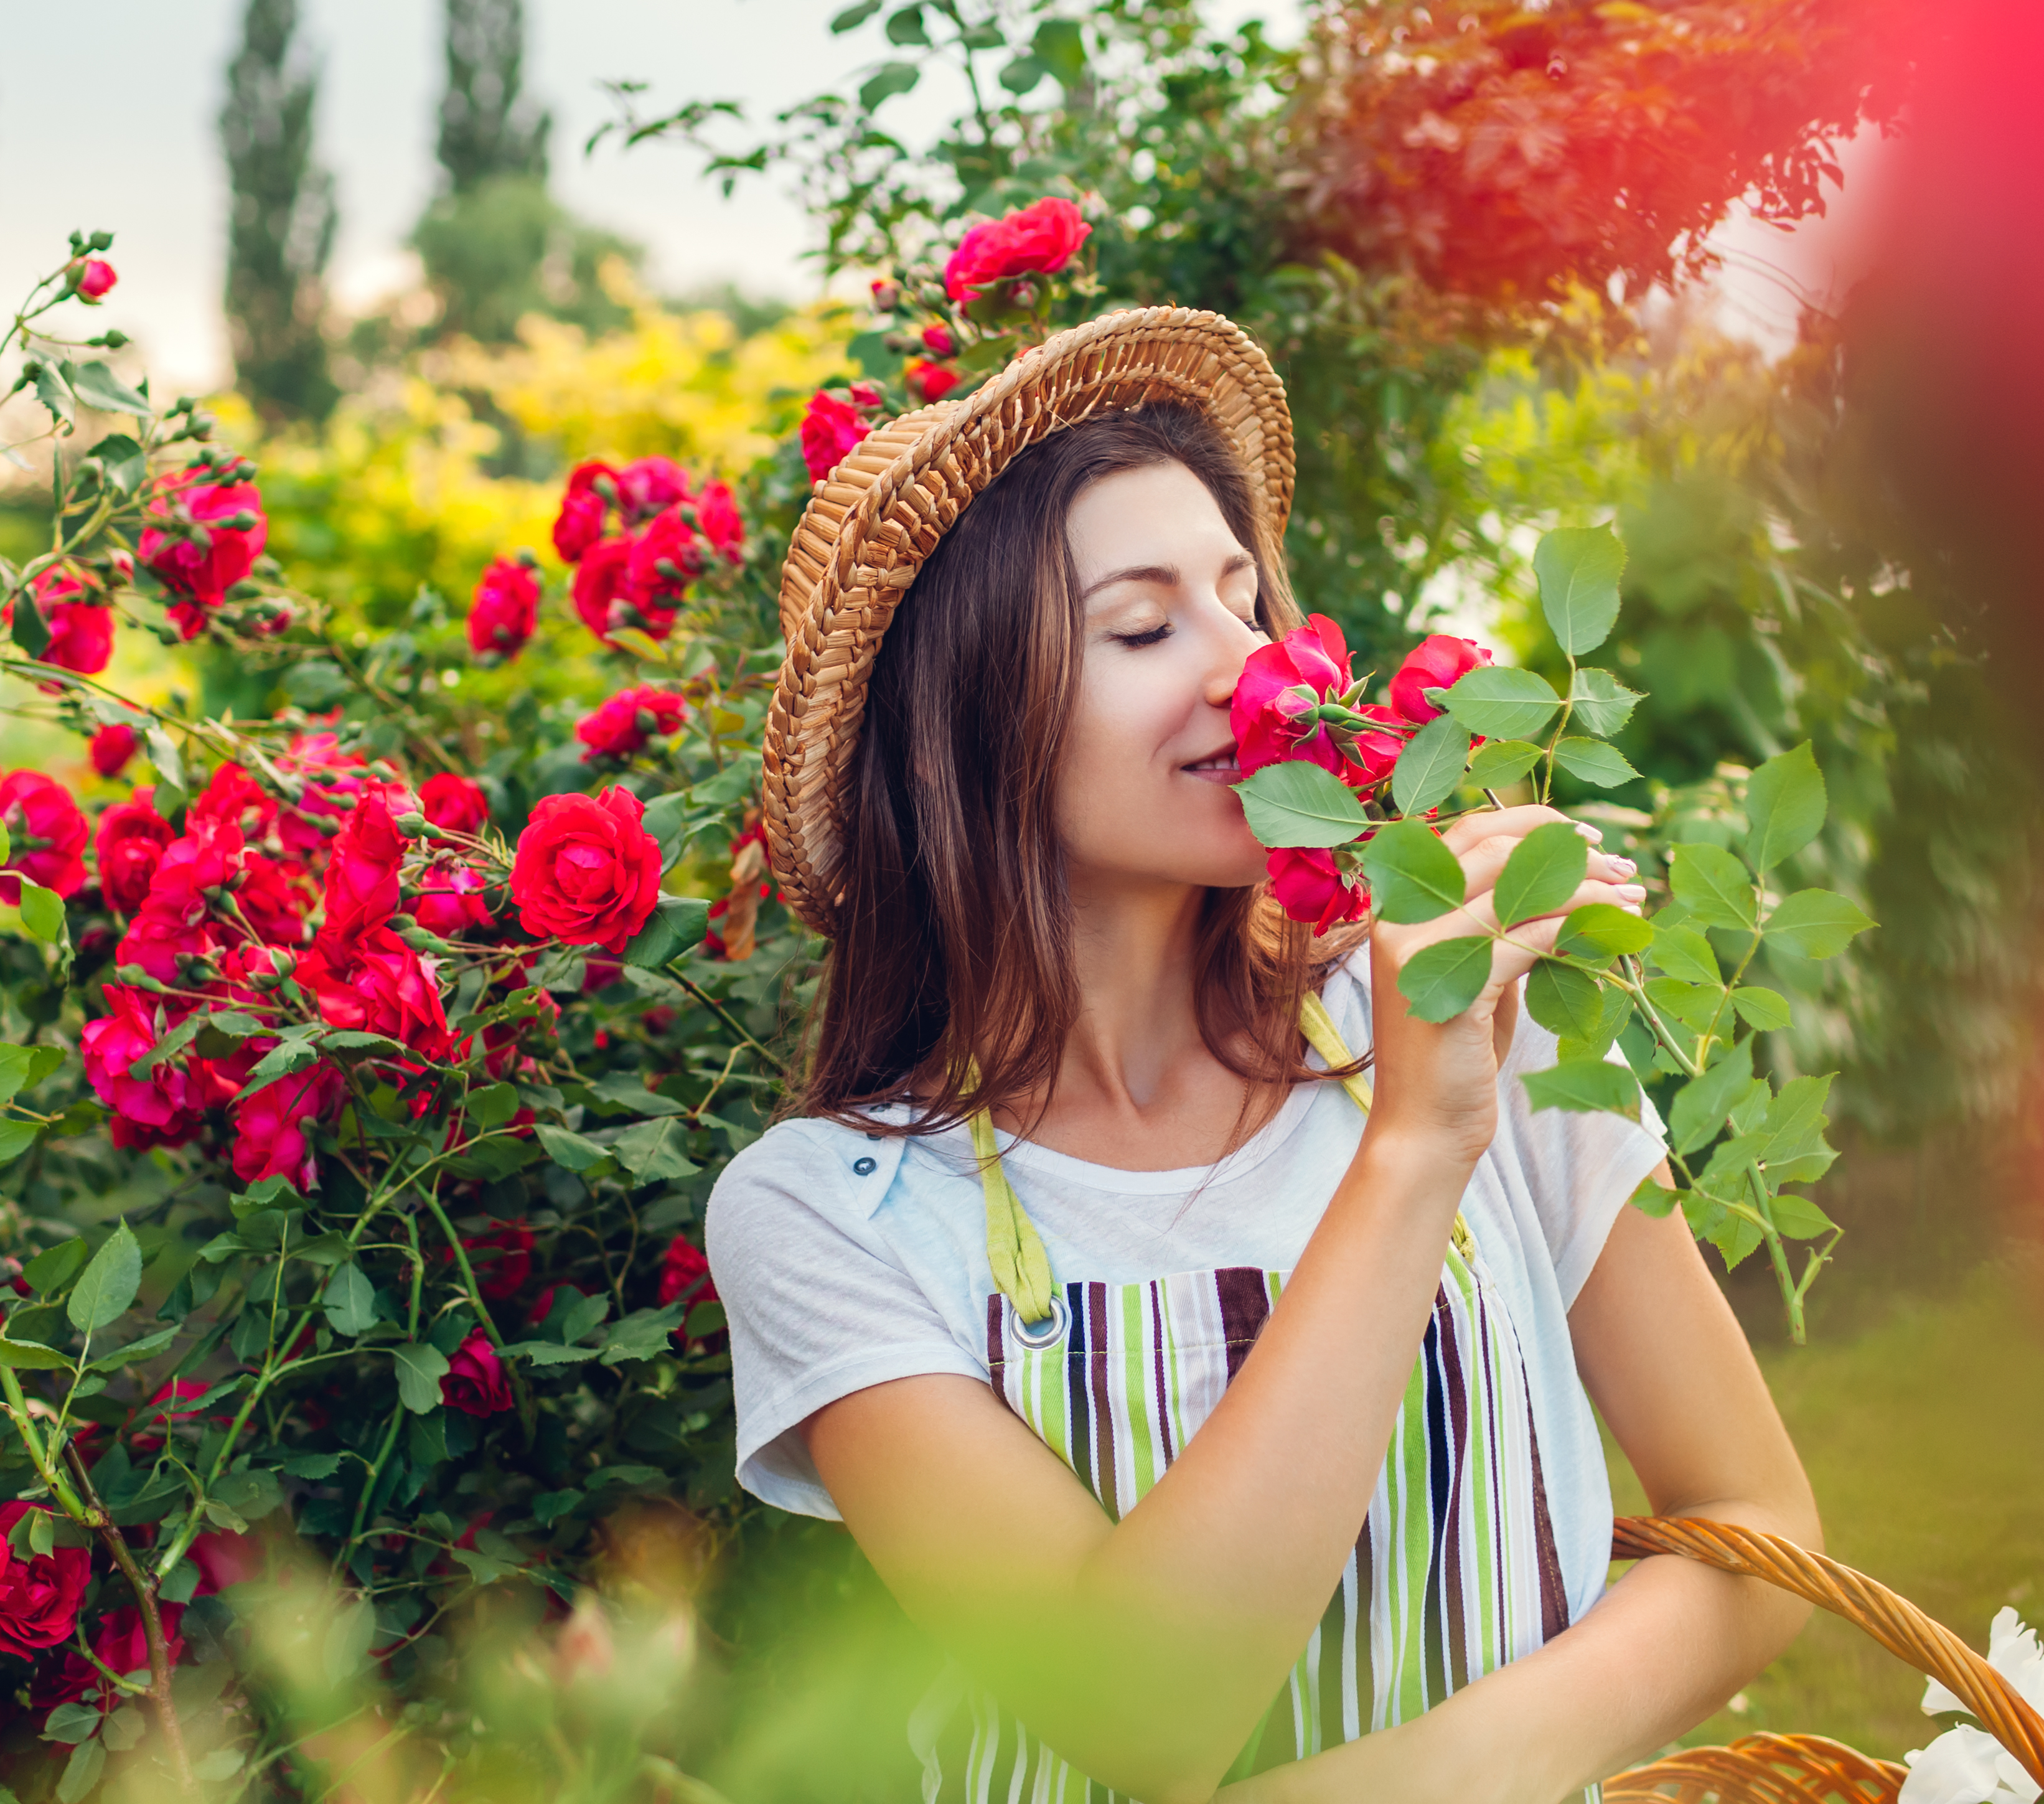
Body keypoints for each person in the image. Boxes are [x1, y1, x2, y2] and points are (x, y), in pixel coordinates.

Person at [710, 308, 1819, 1803]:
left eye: (1243, 601)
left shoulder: (1460, 1007)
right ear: (952, 737)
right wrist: (1414, 1150)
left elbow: (1756, 1536)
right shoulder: (827, 1213)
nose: (1252, 669)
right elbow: (1141, 1717)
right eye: (1141, 627)